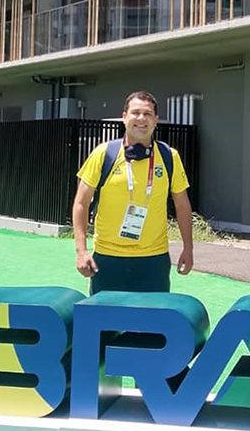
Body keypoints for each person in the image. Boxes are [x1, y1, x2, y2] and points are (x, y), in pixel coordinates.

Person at [72, 91, 194, 293]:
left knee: (151, 323)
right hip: (108, 258)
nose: (141, 119)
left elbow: (182, 205)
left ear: (156, 120)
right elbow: (81, 203)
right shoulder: (104, 154)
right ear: (124, 117)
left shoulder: (169, 157)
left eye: (147, 114)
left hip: (153, 260)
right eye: (135, 112)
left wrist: (188, 248)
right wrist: (81, 250)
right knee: (105, 322)